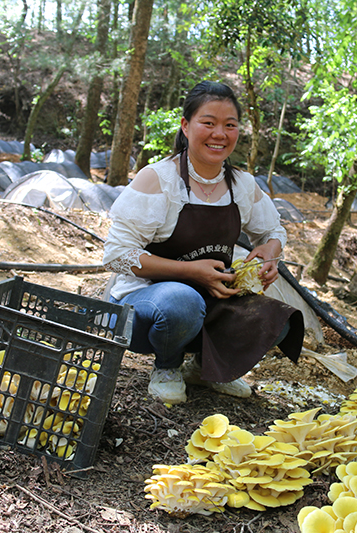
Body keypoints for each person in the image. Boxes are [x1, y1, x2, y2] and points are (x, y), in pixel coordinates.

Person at [102, 81, 303, 405]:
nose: (219, 134)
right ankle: (167, 367)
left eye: (230, 125)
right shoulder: (158, 180)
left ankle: (203, 368)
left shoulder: (241, 185)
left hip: (210, 299)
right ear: (186, 125)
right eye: (208, 123)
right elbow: (116, 256)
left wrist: (271, 252)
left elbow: (273, 231)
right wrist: (190, 272)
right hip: (142, 306)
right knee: (182, 301)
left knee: (278, 321)